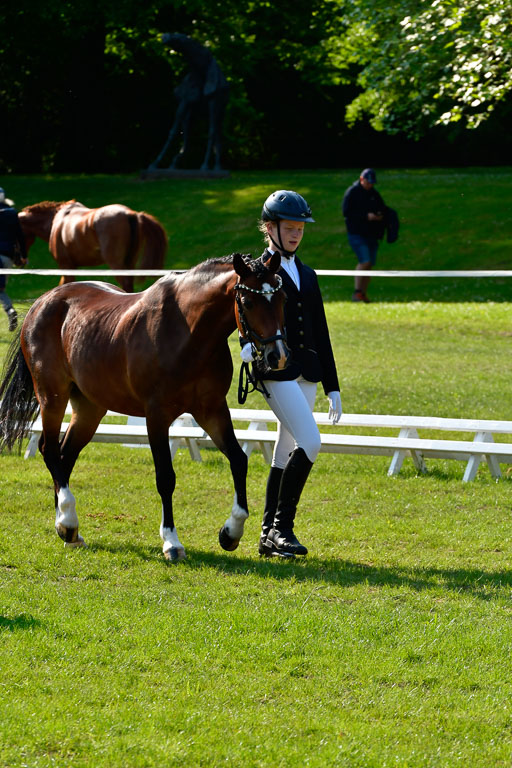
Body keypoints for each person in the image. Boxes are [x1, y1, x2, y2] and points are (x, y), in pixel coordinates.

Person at [240, 190, 342, 558]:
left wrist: (333, 385)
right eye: (289, 228)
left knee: (285, 451)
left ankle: (268, 535)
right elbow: (243, 315)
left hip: (308, 372)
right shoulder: (257, 271)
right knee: (310, 442)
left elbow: (321, 330)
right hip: (275, 372)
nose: (296, 234)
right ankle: (283, 528)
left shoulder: (308, 274)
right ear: (270, 228)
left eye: (300, 228)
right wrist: (243, 346)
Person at [342, 168, 386, 303]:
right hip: (356, 234)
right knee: (364, 261)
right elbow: (346, 212)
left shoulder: (374, 193)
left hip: (371, 234)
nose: (370, 185)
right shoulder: (352, 192)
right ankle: (357, 292)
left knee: (370, 264)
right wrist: (366, 216)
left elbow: (382, 207)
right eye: (368, 182)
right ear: (362, 179)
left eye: (372, 183)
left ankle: (363, 293)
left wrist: (379, 215)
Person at [0, 188, 27, 331]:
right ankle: (10, 310)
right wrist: (24, 256)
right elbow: (20, 237)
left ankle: (10, 310)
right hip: (7, 257)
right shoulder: (11, 213)